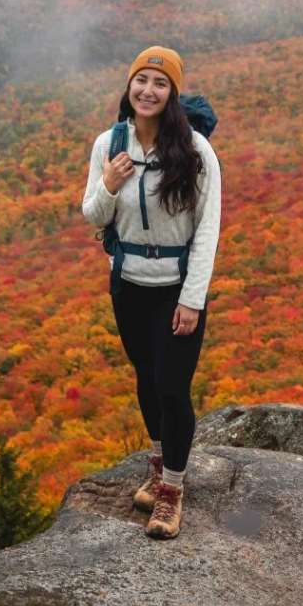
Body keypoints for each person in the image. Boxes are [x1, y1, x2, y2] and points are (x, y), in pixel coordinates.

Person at [81, 45, 221, 540]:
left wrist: (192, 298)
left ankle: (172, 492)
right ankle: (159, 465)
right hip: (129, 284)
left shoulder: (196, 151)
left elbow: (207, 229)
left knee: (171, 388)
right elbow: (93, 216)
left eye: (160, 84)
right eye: (141, 80)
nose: (148, 90)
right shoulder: (109, 143)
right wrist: (110, 184)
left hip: (176, 287)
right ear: (129, 85)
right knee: (145, 379)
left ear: (173, 93)